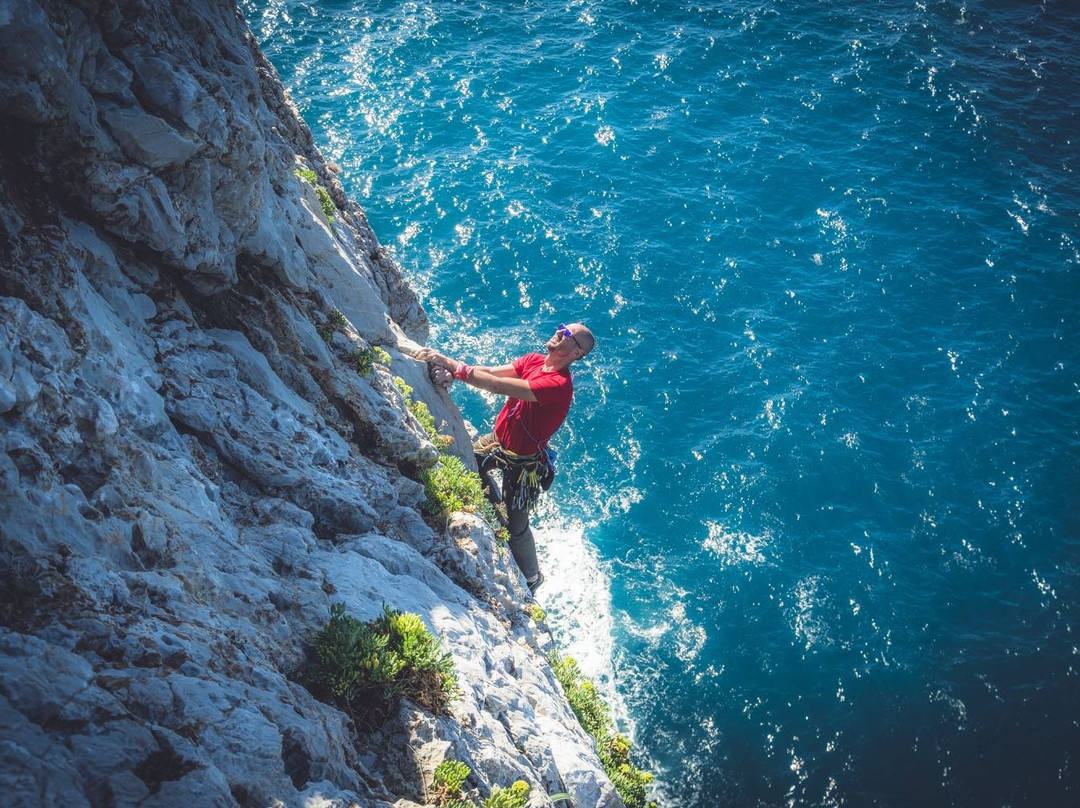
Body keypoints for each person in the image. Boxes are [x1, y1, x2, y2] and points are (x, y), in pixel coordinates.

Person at [416, 322, 595, 594]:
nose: (560, 332)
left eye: (568, 335)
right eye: (562, 328)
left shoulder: (557, 385)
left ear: (577, 354)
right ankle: (492, 508)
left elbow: (498, 386)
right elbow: (490, 372)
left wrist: (452, 365)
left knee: (516, 524)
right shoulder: (534, 361)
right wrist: (455, 372)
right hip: (499, 440)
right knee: (471, 461)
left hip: (523, 461)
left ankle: (533, 577)